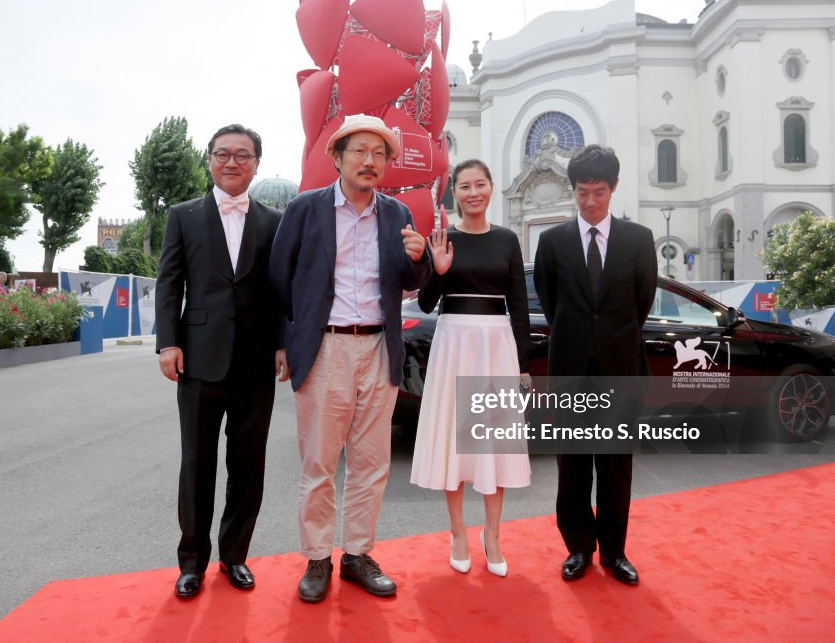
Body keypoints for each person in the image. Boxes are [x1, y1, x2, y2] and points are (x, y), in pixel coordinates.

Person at [269, 114, 430, 603]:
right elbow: (278, 281)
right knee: (319, 461)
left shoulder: (397, 214)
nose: (369, 161)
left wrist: (420, 258)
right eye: (359, 151)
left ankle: (358, 554)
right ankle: (318, 557)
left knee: (371, 461)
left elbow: (412, 284)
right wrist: (282, 343)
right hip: (325, 347)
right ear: (337, 158)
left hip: (379, 346)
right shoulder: (305, 209)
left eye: (379, 154)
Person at [155, 123, 289, 600]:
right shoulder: (183, 216)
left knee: (248, 465)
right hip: (197, 360)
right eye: (223, 154)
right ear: (209, 159)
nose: (232, 162)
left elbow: (280, 291)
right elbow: (169, 283)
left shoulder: (275, 221)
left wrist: (282, 343)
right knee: (197, 464)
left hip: (256, 363)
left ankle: (235, 557)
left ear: (256, 162)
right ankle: (191, 563)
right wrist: (167, 343)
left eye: (243, 155)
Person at [532, 144, 657, 586]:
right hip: (570, 370)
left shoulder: (639, 240)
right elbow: (551, 304)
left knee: (615, 464)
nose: (590, 201)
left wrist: (608, 340)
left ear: (614, 188)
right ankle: (579, 548)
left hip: (619, 370)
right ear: (574, 190)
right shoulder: (551, 242)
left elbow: (641, 303)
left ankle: (615, 551)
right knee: (574, 464)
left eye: (598, 192)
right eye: (582, 192)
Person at [409, 159, 531, 578]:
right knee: (453, 441)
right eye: (464, 186)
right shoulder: (442, 237)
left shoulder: (507, 240)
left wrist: (523, 365)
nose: (473, 192)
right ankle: (458, 533)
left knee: (492, 442)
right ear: (454, 193)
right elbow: (425, 303)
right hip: (454, 341)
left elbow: (518, 305)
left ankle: (492, 535)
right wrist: (438, 271)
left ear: (492, 188)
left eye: (480, 184)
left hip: (496, 344)